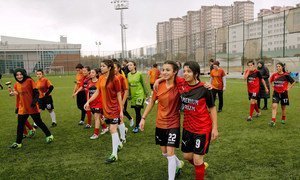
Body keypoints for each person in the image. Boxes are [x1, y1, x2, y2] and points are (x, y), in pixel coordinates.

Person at [139, 61, 184, 180]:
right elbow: (152, 102)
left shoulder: (180, 85)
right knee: (164, 152)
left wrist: (206, 85)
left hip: (173, 123)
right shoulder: (158, 85)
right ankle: (178, 164)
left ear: (175, 72)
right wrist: (143, 118)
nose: (164, 72)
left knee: (170, 153)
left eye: (168, 70)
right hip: (160, 123)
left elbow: (193, 84)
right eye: (163, 70)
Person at [84, 60, 123, 163]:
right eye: (101, 66)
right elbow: (97, 92)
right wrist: (88, 101)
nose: (101, 68)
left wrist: (121, 110)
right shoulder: (101, 78)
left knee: (112, 130)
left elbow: (119, 95)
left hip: (114, 108)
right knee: (111, 128)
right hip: (106, 109)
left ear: (109, 68)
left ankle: (114, 155)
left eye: (103, 66)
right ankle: (119, 143)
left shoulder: (115, 79)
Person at [10, 68, 53, 149]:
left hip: (32, 107)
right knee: (20, 125)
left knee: (39, 123)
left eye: (20, 74)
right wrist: (13, 94)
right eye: (17, 75)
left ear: (23, 74)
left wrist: (34, 102)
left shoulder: (29, 80)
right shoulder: (16, 84)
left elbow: (36, 92)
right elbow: (17, 94)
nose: (19, 76)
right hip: (22, 108)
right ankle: (18, 142)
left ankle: (49, 135)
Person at [269, 62, 295, 127]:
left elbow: (293, 82)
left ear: (282, 67)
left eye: (279, 66)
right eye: (277, 66)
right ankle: (273, 121)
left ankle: (283, 118)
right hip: (276, 93)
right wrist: (272, 87)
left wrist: (288, 88)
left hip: (284, 94)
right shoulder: (274, 75)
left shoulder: (286, 75)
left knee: (283, 108)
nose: (278, 68)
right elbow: (270, 81)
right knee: (274, 106)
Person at [84, 68, 109, 139]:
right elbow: (88, 93)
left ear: (96, 74)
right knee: (98, 117)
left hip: (99, 102)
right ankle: (105, 127)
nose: (91, 74)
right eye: (90, 73)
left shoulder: (100, 81)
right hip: (92, 103)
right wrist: (87, 102)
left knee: (96, 117)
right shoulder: (89, 82)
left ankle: (96, 133)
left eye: (92, 72)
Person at [127, 61, 149, 133]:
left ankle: (137, 126)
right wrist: (129, 95)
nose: (129, 66)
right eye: (128, 65)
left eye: (131, 65)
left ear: (134, 66)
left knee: (137, 110)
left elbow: (143, 84)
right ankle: (140, 121)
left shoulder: (139, 74)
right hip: (133, 96)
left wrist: (146, 93)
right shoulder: (128, 74)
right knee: (136, 111)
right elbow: (129, 86)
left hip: (140, 94)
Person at [114, 62, 130, 143]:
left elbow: (126, 91)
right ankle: (124, 129)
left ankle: (123, 138)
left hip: (121, 101)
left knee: (120, 119)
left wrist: (122, 103)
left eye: (115, 68)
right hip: (113, 102)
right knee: (113, 120)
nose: (113, 69)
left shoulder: (122, 77)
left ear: (119, 69)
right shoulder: (110, 78)